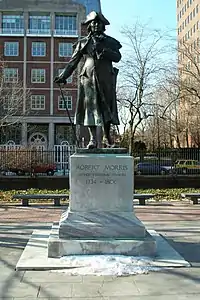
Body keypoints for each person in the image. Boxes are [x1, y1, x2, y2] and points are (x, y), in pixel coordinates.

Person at [54, 11, 122, 149]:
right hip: (88, 78)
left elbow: (117, 57)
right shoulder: (83, 43)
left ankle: (107, 136)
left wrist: (105, 51)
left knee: (106, 107)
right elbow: (73, 62)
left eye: (99, 23)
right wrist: (63, 76)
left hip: (105, 78)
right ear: (89, 26)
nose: (96, 25)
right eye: (93, 23)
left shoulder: (110, 42)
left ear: (103, 26)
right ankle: (92, 139)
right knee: (90, 108)